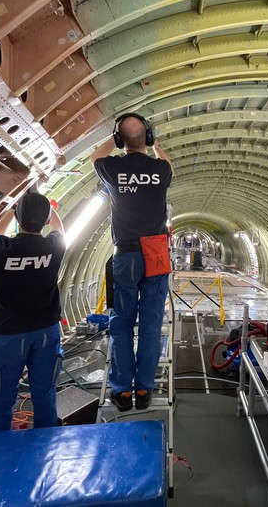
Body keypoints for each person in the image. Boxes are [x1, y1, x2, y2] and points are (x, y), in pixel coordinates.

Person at [91, 113, 172, 411]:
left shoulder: (111, 167)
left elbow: (95, 156)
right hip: (156, 253)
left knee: (122, 324)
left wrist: (112, 140)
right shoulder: (160, 168)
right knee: (151, 325)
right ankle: (144, 391)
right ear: (147, 139)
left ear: (118, 140)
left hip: (125, 254)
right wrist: (156, 146)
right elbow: (168, 164)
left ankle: (123, 391)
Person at [0, 193, 66, 431]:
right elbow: (59, 227)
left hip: (9, 334)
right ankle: (45, 448)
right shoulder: (55, 246)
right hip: (46, 332)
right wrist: (51, 210)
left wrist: (13, 208)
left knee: (0, 398)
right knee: (45, 392)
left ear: (18, 218)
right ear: (46, 220)